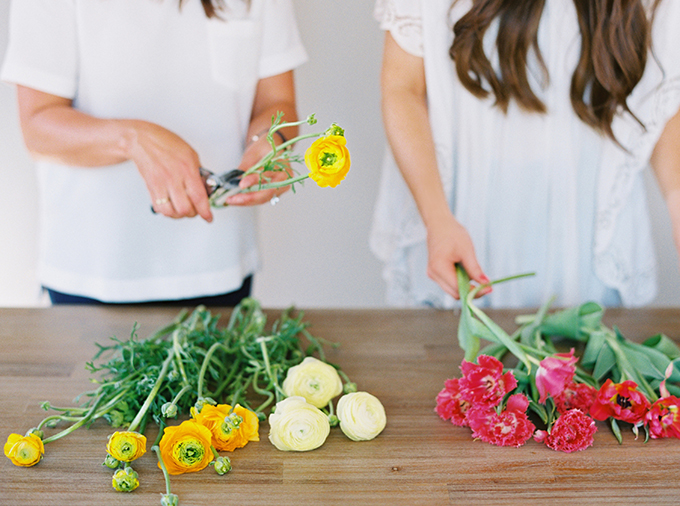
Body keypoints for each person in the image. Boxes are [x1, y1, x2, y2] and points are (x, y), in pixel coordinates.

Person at [371, 0, 680, 308]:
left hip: (585, 234)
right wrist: (437, 217)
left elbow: (661, 103)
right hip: (459, 219)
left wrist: (677, 197)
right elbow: (402, 87)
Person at [1, 0, 308, 305]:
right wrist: (133, 139)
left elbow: (276, 102)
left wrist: (269, 144)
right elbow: (37, 128)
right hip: (91, 269)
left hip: (220, 263)